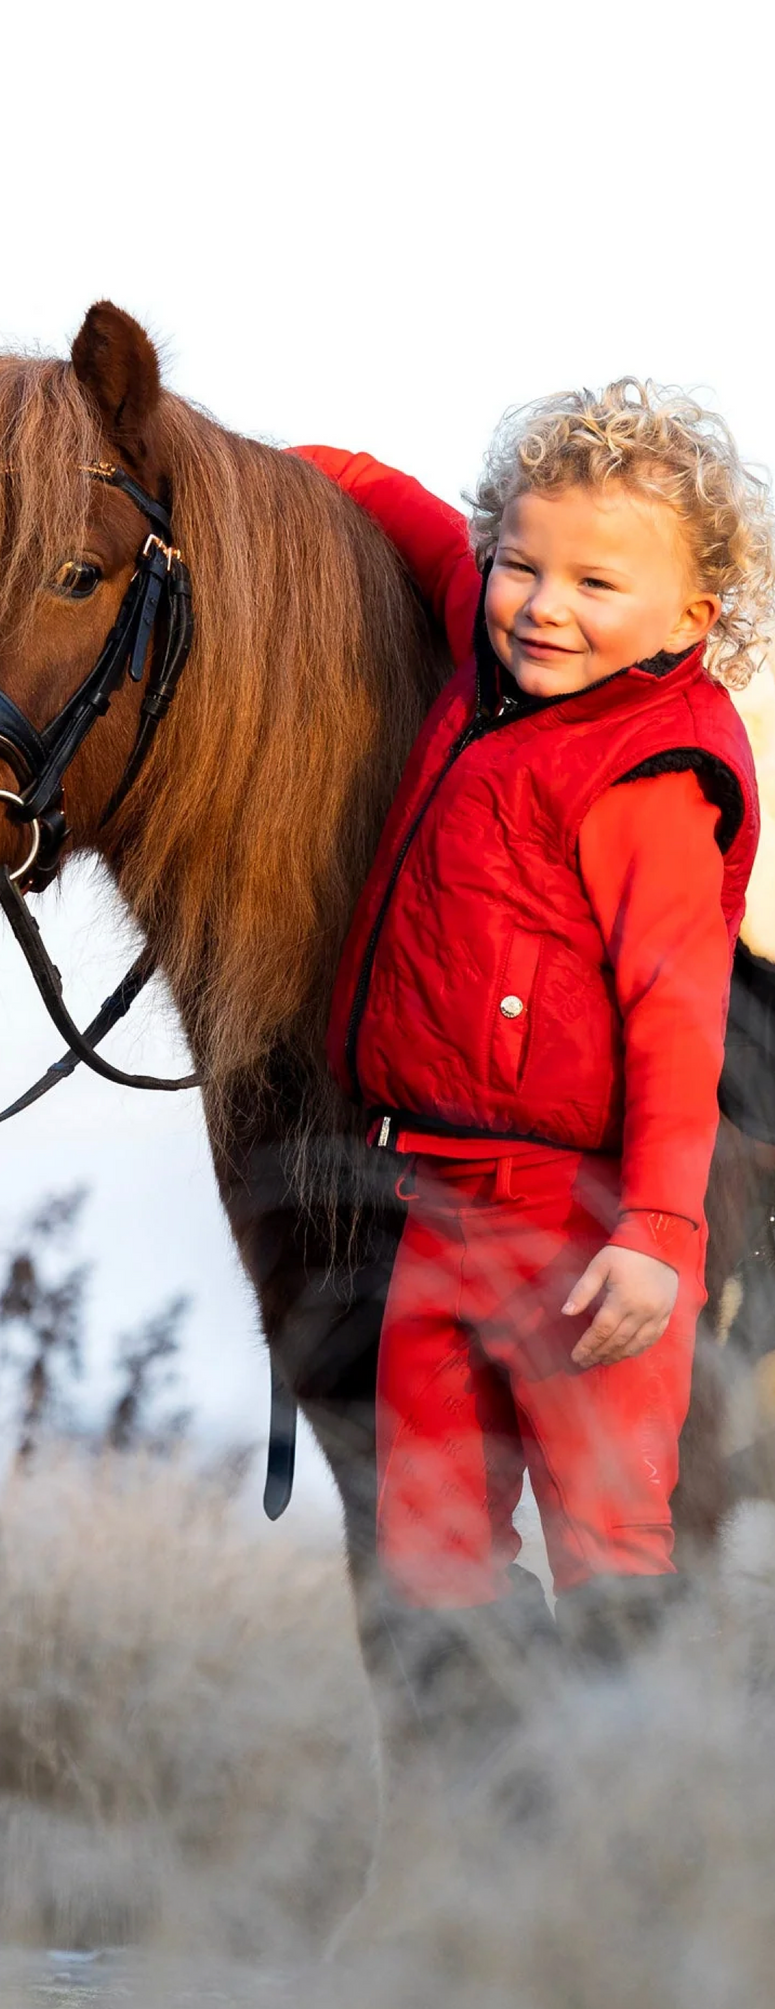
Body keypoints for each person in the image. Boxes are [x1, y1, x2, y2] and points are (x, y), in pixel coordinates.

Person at [295, 383, 771, 1724]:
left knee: (605, 1543)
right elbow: (417, 526)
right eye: (523, 563)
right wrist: (278, 463)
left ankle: (631, 1845)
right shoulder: (490, 654)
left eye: (595, 582)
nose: (541, 604)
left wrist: (659, 1232)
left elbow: (679, 1023)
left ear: (692, 618)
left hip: (587, 1226)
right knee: (431, 1548)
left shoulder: (649, 778)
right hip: (439, 1207)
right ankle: (489, 1821)